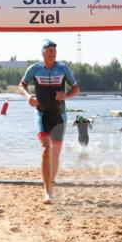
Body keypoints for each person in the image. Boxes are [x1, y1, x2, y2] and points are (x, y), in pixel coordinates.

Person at [19, 40, 80, 204]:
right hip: (41, 114)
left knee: (55, 153)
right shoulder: (34, 69)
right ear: (43, 52)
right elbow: (22, 85)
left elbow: (76, 88)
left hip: (59, 116)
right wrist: (27, 97)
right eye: (50, 49)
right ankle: (47, 191)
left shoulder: (63, 68)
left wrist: (65, 96)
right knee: (46, 150)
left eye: (55, 49)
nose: (53, 52)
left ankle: (51, 183)